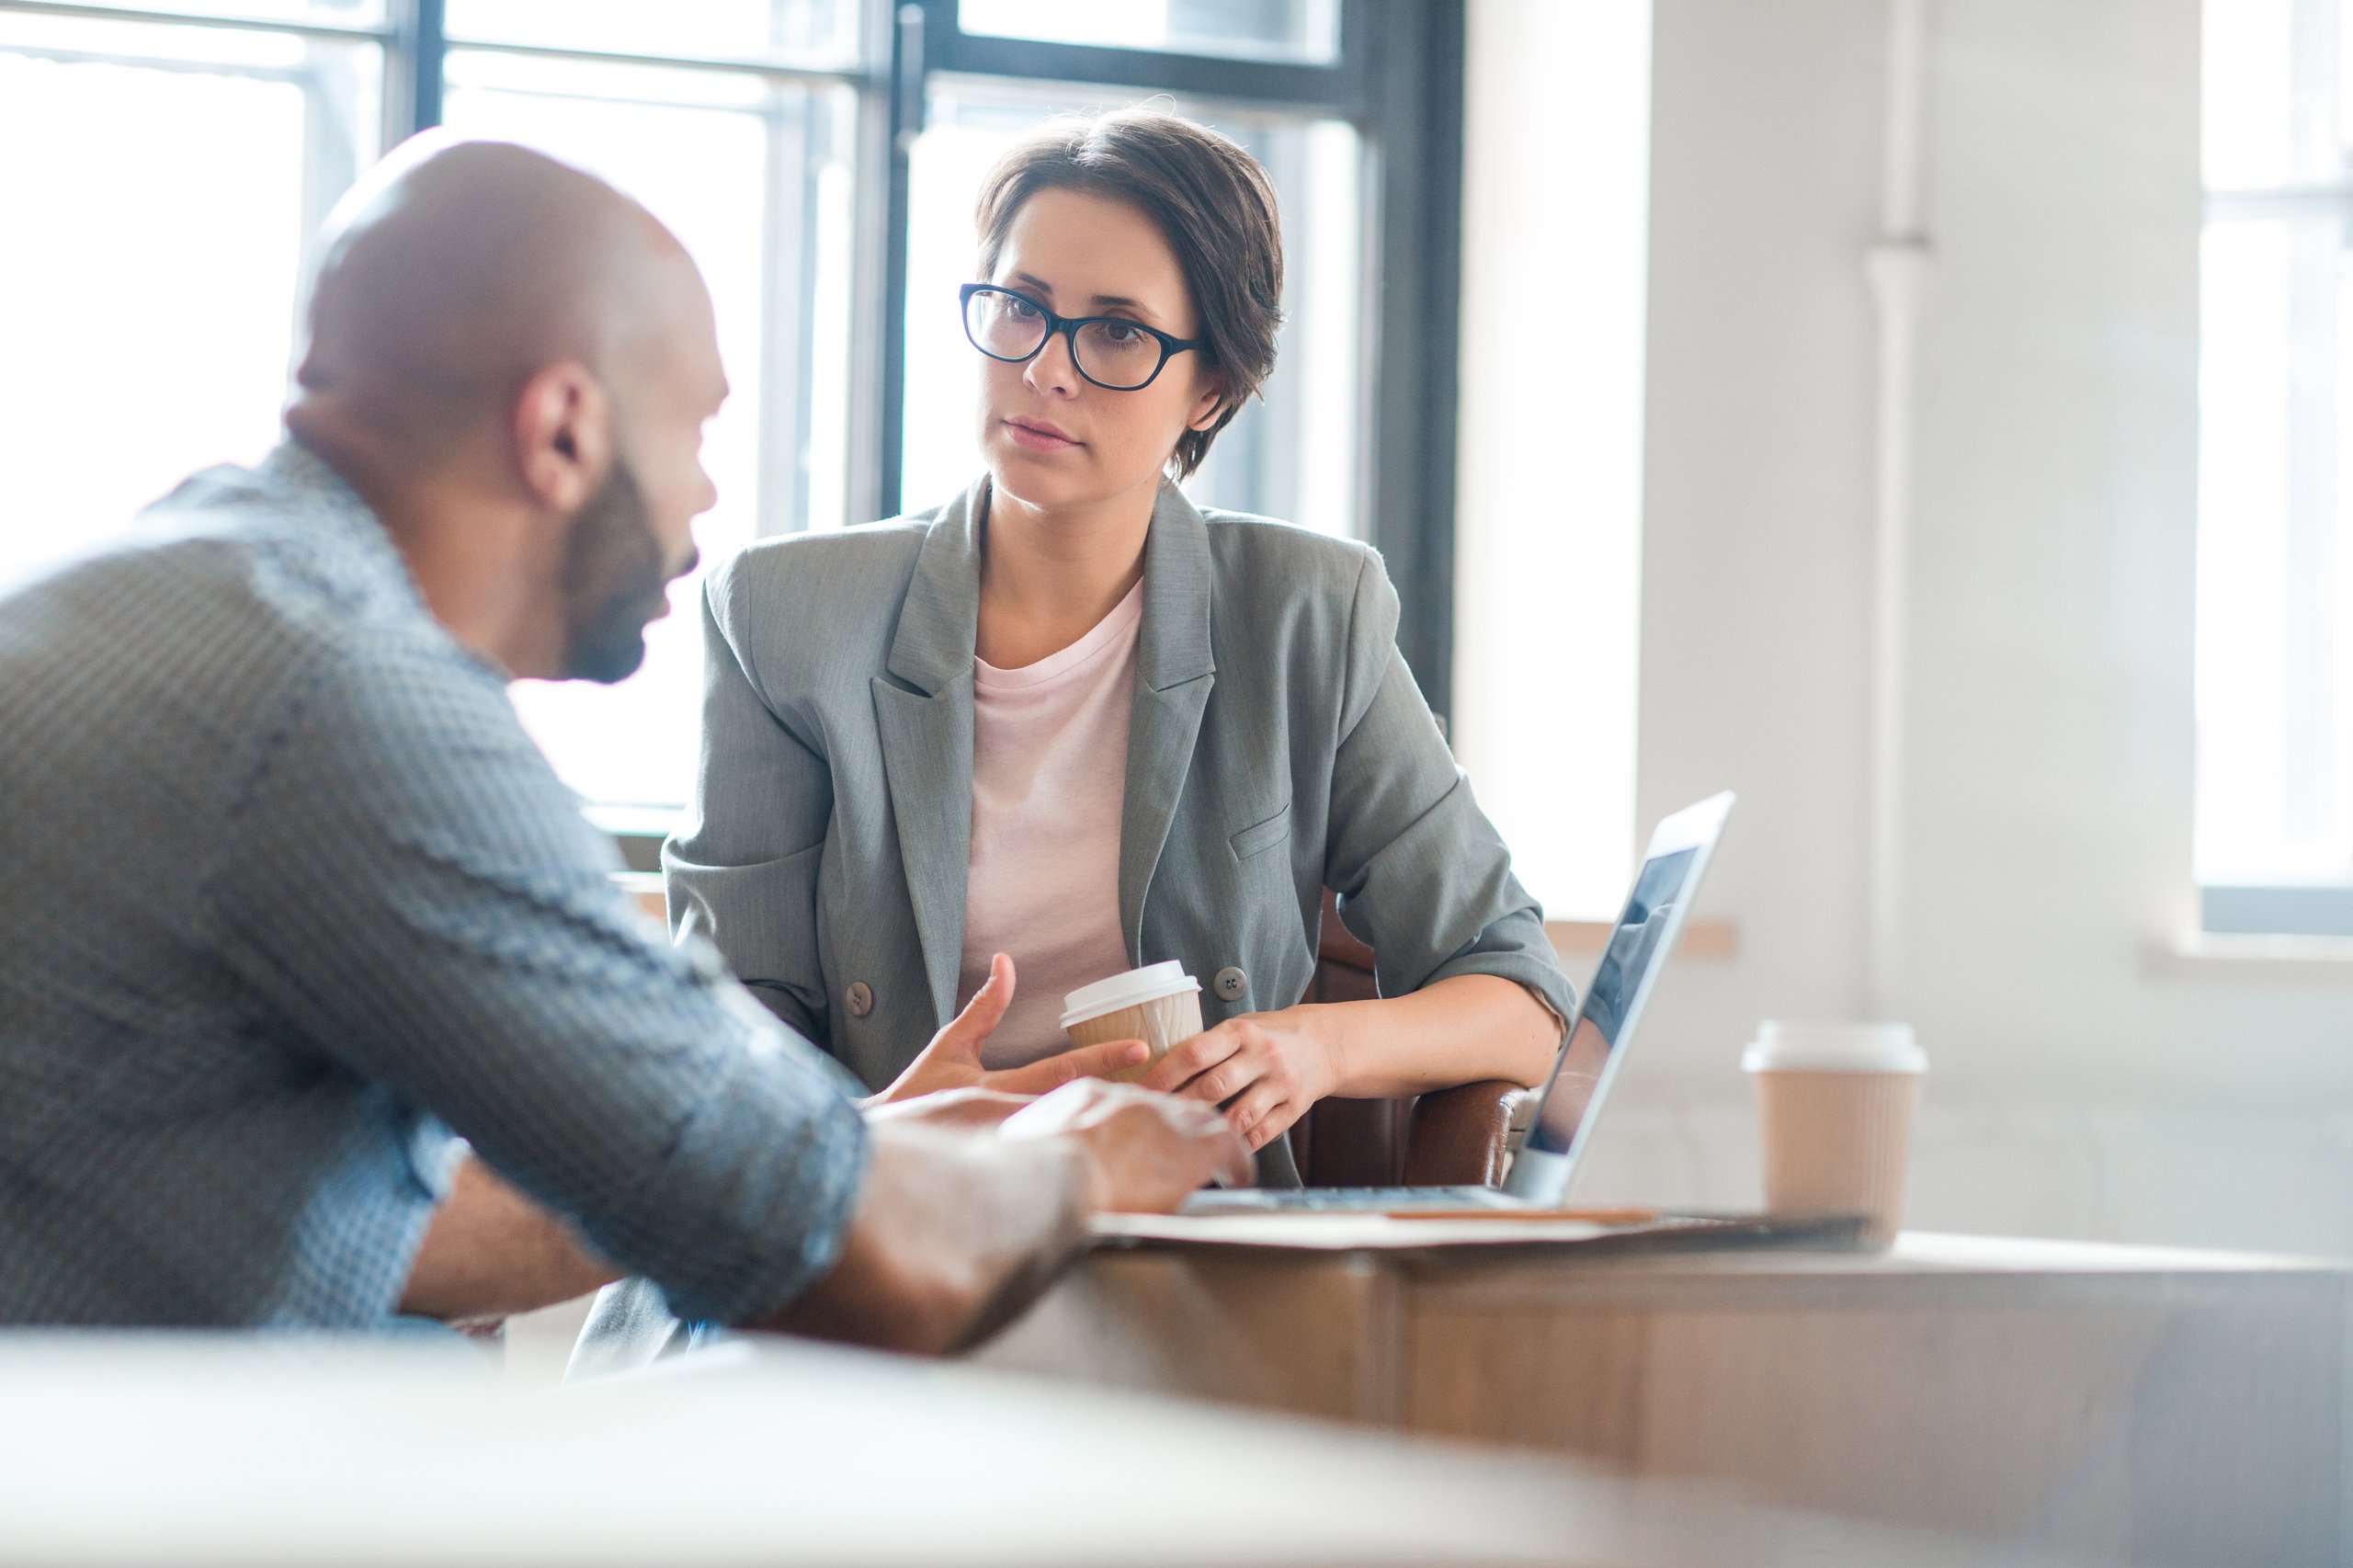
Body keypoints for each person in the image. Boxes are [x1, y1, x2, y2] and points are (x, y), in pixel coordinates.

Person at [0, 133, 1250, 1344]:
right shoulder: (356, 708)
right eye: (694, 432)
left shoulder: (178, 587)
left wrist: (853, 1140)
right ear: (560, 430)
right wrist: (1087, 1165)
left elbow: (405, 1225)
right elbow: (865, 1269)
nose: (707, 498)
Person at [666, 108, 1576, 1178]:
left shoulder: (1307, 613)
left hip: (1183, 1242)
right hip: (871, 1225)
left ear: (1212, 388)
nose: (1047, 369)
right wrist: (888, 1130)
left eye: (1115, 332)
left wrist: (1315, 1045)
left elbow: (1521, 998)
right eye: (1019, 307)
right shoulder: (783, 615)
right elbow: (724, 1029)